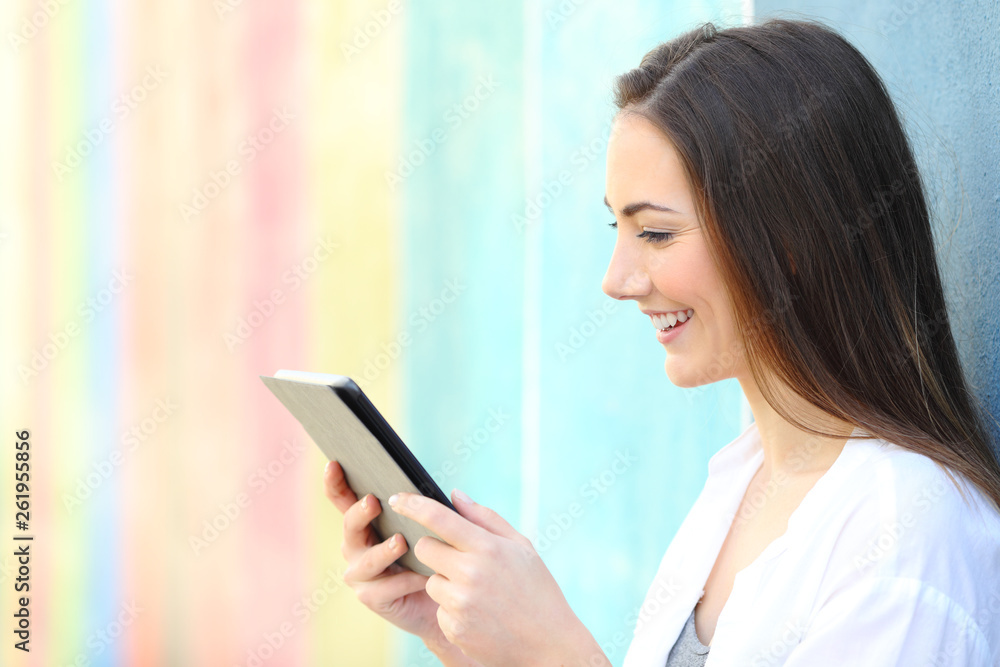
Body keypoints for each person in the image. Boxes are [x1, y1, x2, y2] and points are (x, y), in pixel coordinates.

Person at [323, 17, 1000, 667]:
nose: (617, 280)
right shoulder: (742, 482)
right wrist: (462, 637)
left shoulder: (905, 529)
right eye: (616, 229)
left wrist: (558, 653)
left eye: (656, 233)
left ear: (792, 240)